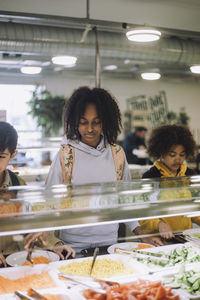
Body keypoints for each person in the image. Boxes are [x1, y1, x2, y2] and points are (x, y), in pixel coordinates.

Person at [25, 87, 162, 254]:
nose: (90, 129)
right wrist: (44, 230)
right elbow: (49, 201)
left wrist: (142, 234)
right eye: (83, 122)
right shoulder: (66, 155)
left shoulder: (117, 154)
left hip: (110, 243)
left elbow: (126, 202)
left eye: (96, 122)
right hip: (72, 246)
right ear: (75, 121)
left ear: (105, 121)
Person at [140, 124, 200, 242]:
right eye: (172, 155)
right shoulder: (151, 177)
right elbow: (143, 212)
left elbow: (193, 209)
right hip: (159, 240)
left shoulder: (189, 175)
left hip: (185, 238)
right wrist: (158, 224)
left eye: (182, 155)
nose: (178, 159)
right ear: (161, 152)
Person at [0, 122, 26, 266]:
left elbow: (30, 222)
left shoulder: (18, 184)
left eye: (1, 156)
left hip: (13, 259)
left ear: (13, 155)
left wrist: (55, 244)